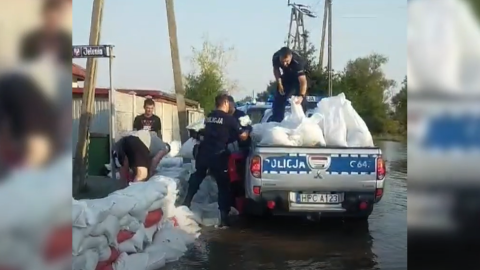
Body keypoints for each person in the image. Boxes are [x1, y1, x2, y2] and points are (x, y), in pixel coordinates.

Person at [183, 94, 250, 228]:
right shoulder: (229, 119)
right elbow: (242, 137)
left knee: (197, 176)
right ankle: (224, 220)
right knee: (223, 186)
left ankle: (186, 203)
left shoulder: (209, 116)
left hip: (203, 153)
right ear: (225, 102)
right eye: (229, 103)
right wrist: (247, 131)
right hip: (218, 155)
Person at [271, 46, 309, 122]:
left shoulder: (297, 61)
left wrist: (301, 96)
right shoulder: (275, 57)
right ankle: (276, 119)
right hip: (286, 76)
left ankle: (301, 119)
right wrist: (279, 83)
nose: (285, 64)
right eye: (282, 61)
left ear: (291, 57)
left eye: (287, 61)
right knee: (279, 96)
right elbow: (276, 70)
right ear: (279, 57)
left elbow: (303, 82)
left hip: (297, 78)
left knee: (300, 99)